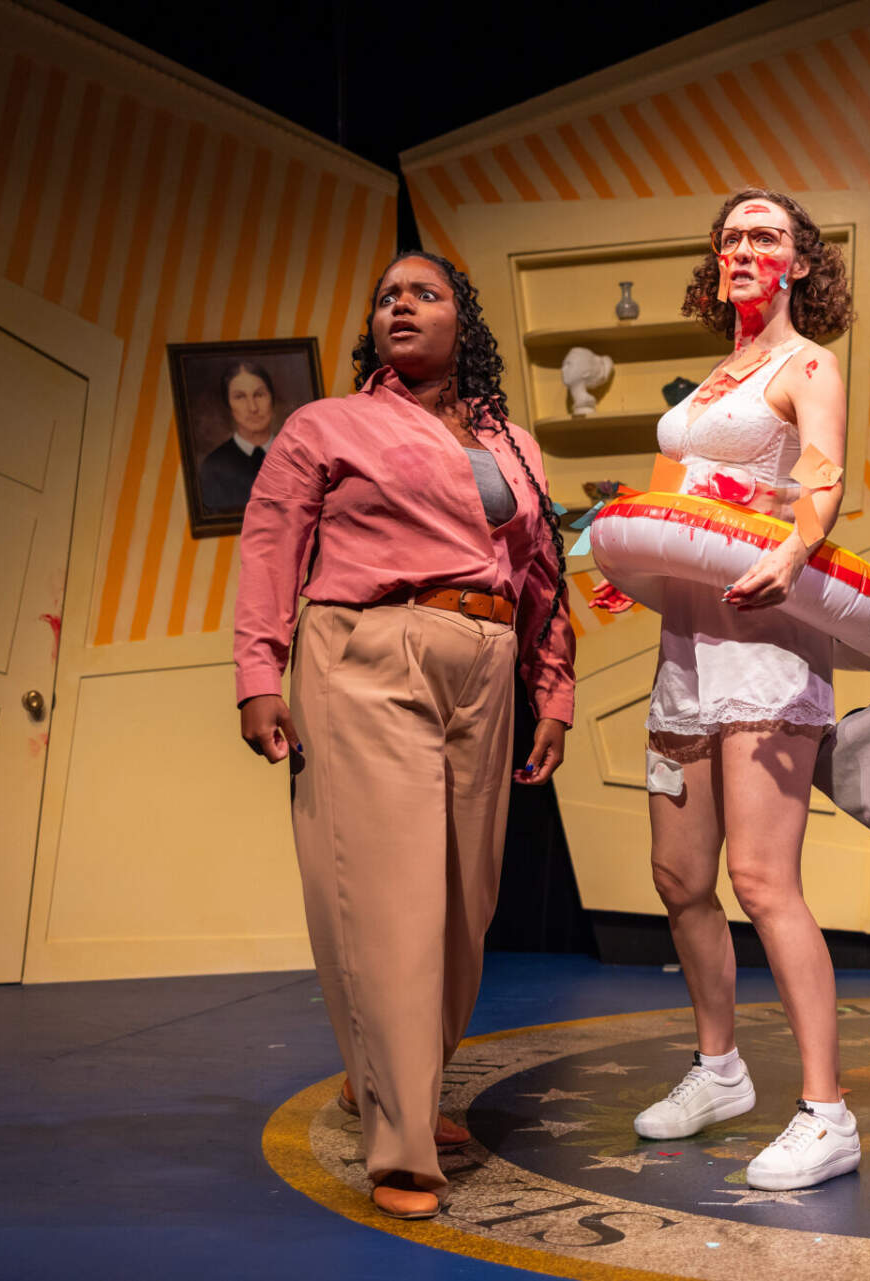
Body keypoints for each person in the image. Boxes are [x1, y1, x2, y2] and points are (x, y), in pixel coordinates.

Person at [232, 250, 575, 1221]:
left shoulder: (512, 441)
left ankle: (394, 1079)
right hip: (368, 653)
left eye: (422, 293)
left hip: (488, 660)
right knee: (389, 899)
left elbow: (542, 571)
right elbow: (271, 544)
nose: (400, 307)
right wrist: (260, 674)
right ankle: (403, 1145)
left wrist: (554, 690)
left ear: (460, 319)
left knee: (466, 901)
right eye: (387, 297)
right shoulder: (325, 425)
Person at [593, 189, 860, 1190]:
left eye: (767, 236)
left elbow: (823, 473)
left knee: (761, 880)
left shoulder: (807, 365)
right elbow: (676, 500)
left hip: (764, 640)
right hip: (686, 649)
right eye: (734, 236)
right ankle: (719, 1071)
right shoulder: (713, 380)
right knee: (677, 877)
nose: (746, 248)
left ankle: (828, 1114)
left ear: (796, 262)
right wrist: (629, 572)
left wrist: (801, 550)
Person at [198, 359, 277, 511]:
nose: (253, 408)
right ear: (228, 405)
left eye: (259, 395)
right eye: (240, 397)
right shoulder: (214, 467)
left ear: (271, 398)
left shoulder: (297, 456)